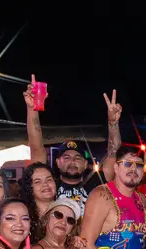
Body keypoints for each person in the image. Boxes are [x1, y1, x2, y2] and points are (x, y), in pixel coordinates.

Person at [25, 79, 121, 215]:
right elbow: (36, 148)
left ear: (85, 163)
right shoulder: (49, 184)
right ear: (58, 162)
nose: (72, 161)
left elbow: (113, 152)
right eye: (66, 157)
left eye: (77, 157)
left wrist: (113, 123)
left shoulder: (97, 183)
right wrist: (32, 109)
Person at [19, 162, 58, 241]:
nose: (45, 184)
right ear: (30, 188)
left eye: (49, 180)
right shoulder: (24, 218)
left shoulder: (66, 213)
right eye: (37, 181)